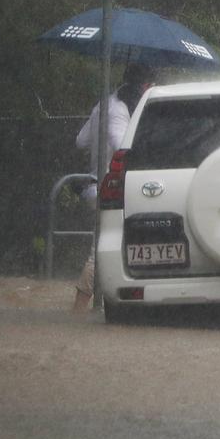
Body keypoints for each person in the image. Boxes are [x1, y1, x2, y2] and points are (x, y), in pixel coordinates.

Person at [71, 62, 157, 312]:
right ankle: (78, 311)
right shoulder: (118, 110)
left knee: (117, 244)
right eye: (150, 85)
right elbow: (123, 147)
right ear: (144, 85)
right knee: (99, 250)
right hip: (109, 189)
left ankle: (110, 304)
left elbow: (80, 141)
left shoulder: (104, 105)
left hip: (99, 185)